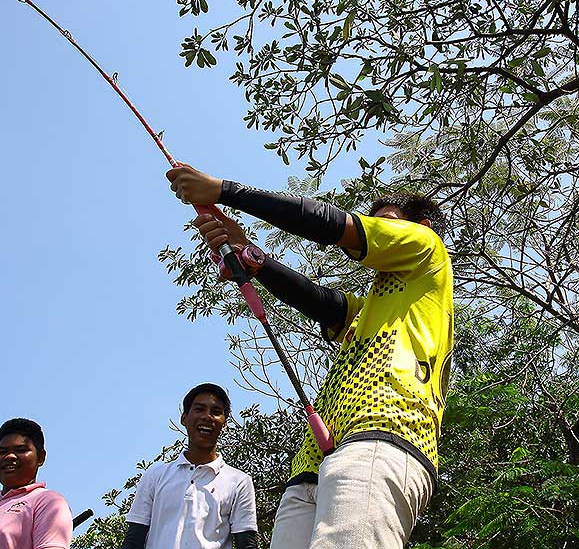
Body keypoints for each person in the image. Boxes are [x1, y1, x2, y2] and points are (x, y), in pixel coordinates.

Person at [166, 165, 454, 548]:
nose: (375, 229)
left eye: (386, 223)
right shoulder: (373, 309)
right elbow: (322, 302)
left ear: (422, 226)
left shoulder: (427, 248)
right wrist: (250, 253)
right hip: (312, 468)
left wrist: (223, 190)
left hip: (381, 437)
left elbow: (332, 224)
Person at [122, 383, 258, 549]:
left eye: (216, 412)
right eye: (199, 409)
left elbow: (247, 543)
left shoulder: (239, 482)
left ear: (224, 423)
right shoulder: (155, 475)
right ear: (184, 418)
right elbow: (134, 539)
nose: (207, 417)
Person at [0, 418, 73, 549]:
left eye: (21, 450)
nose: (9, 457)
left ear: (41, 457)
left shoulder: (47, 501)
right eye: (2, 452)